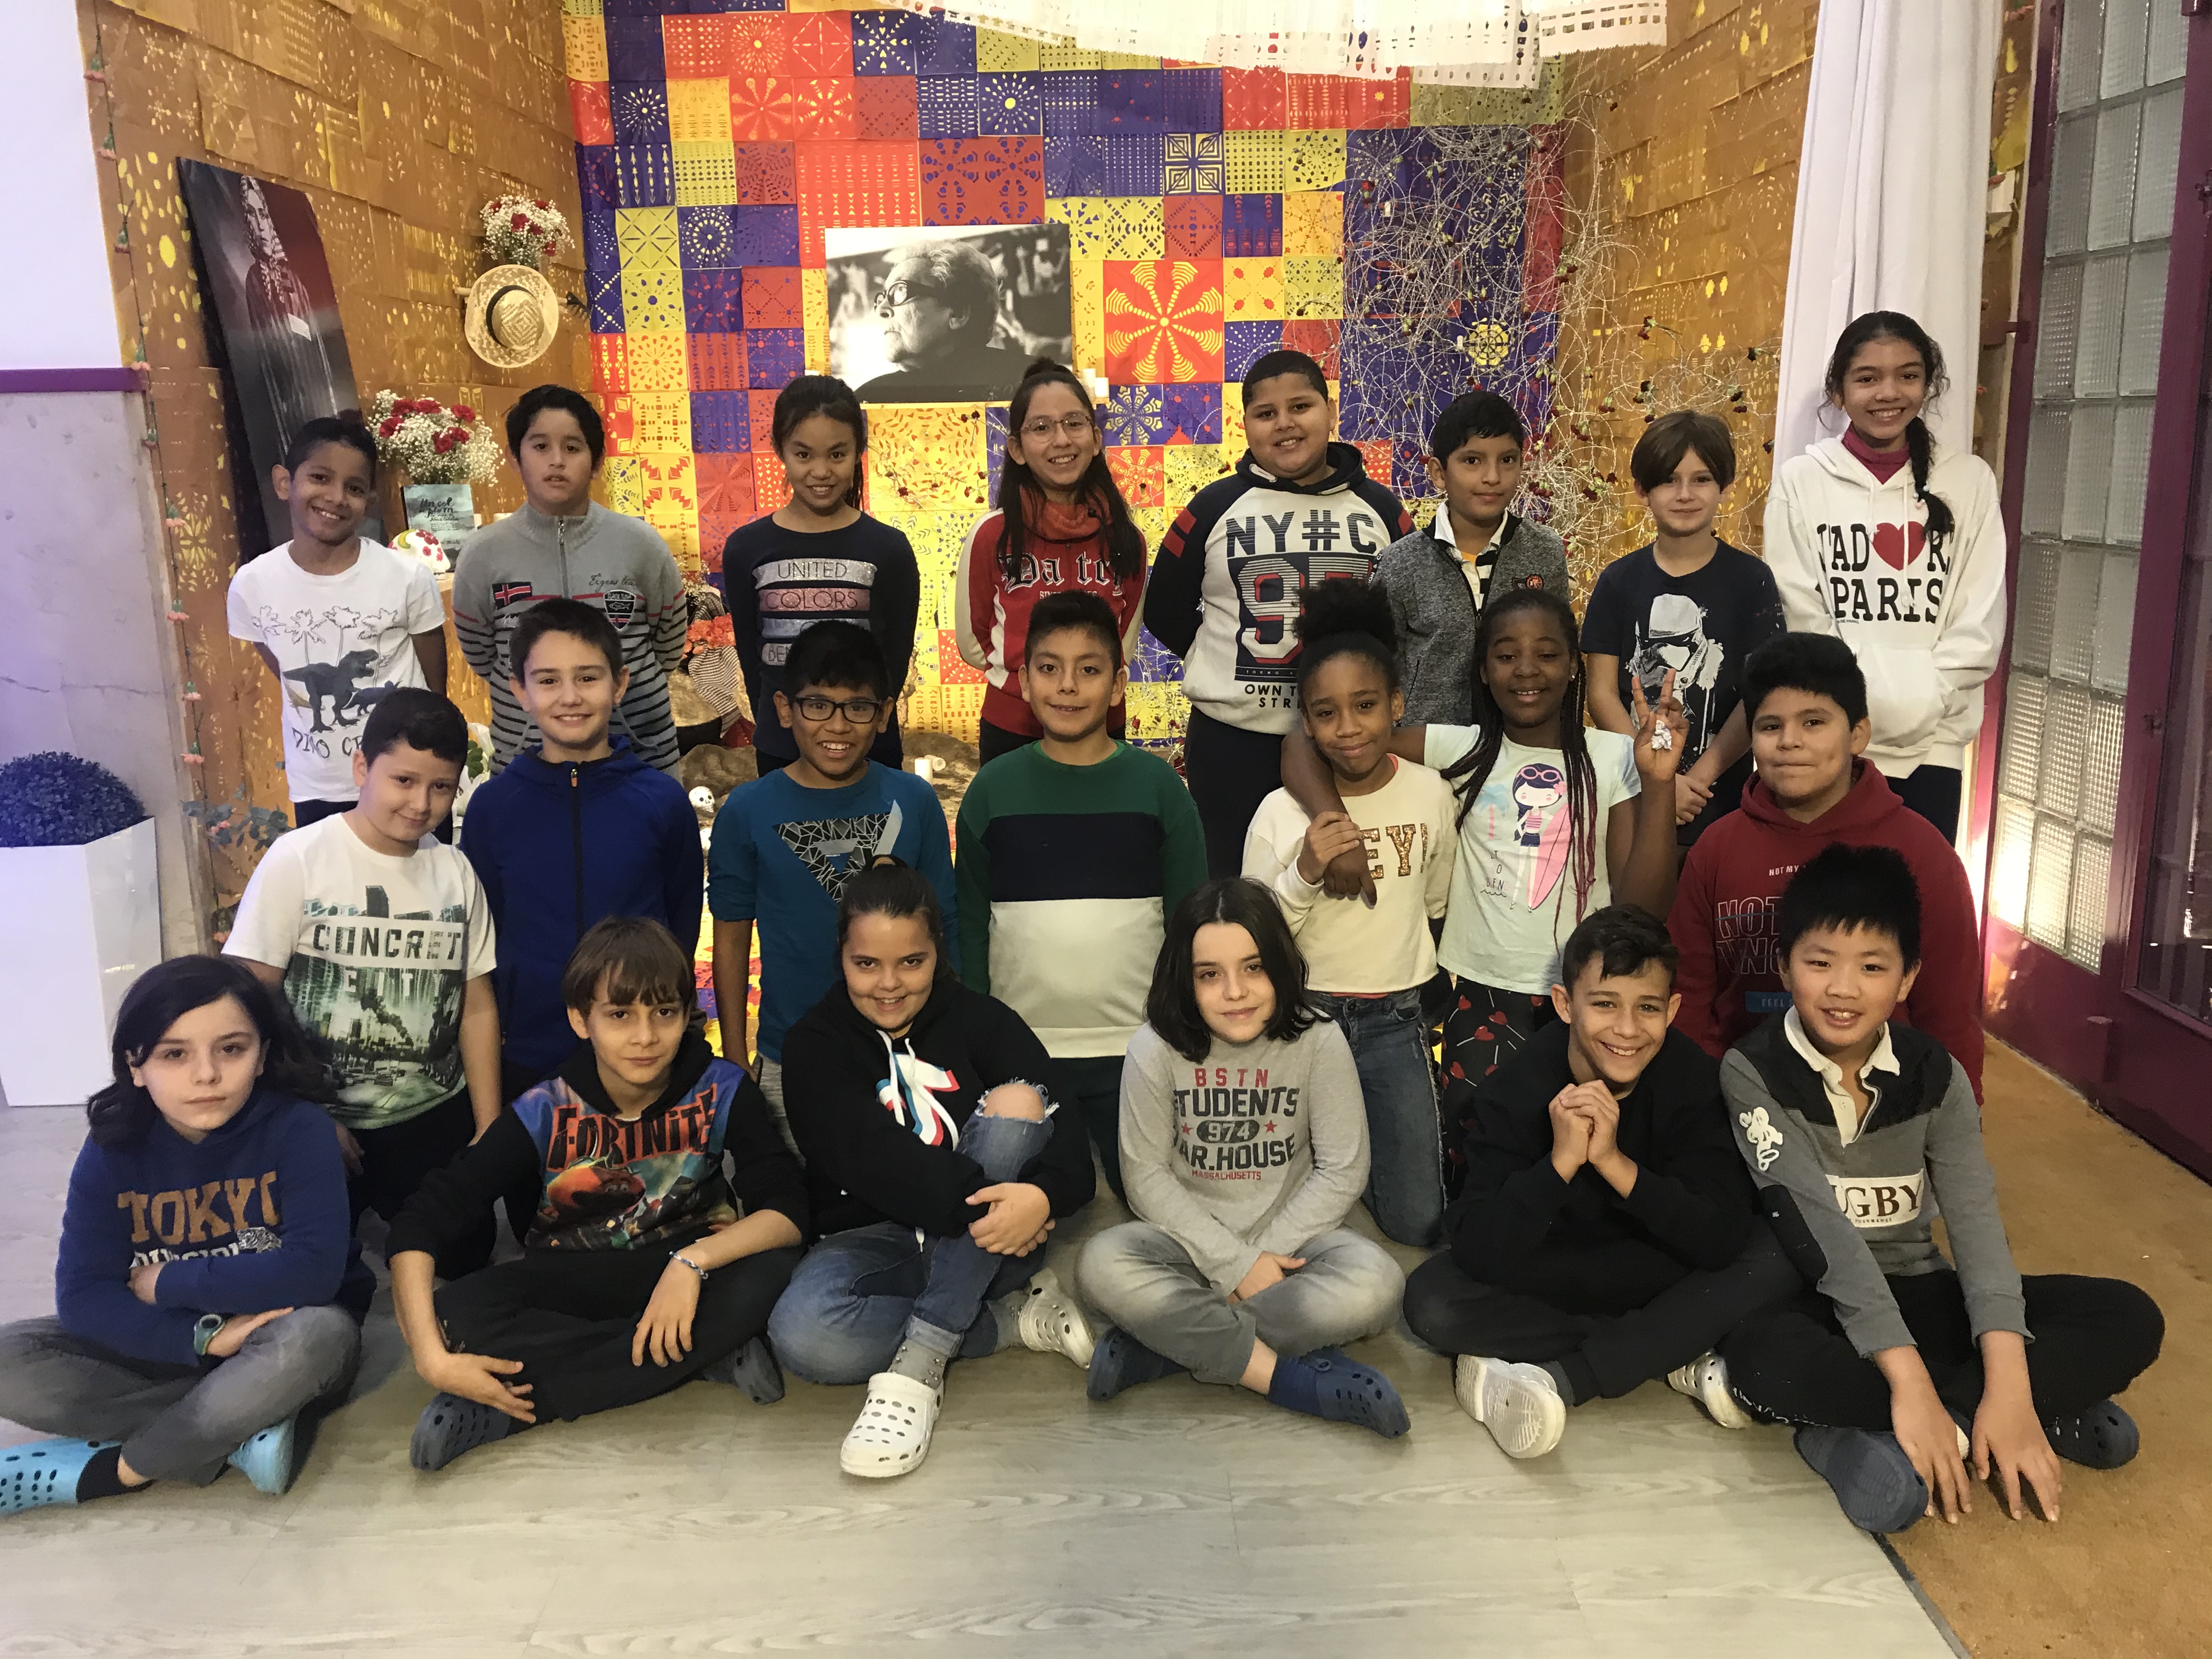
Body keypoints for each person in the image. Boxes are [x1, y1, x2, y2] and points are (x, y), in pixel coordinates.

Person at [1717, 846, 2163, 1533]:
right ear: (1784, 966)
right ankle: (1961, 1417)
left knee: (2129, 1316)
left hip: (1919, 1290)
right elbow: (1823, 1239)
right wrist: (1910, 1380)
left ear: (1908, 978)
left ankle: (1958, 1421)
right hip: (1815, 1302)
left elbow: (1977, 1225)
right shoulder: (1752, 1070)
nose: (1843, 989)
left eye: (1872, 968)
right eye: (1820, 963)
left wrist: (2010, 1383)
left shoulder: (1936, 1074)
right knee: (1759, 1361)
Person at [1283, 587, 1687, 1192]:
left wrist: (1659, 784)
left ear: (1573, 665)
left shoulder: (1611, 755)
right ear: (1482, 670)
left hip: (1587, 1000)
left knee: (1585, 1155)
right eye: (1505, 655)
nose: (1526, 670)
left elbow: (1642, 909)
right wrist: (1335, 828)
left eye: (1546, 654)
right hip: (1482, 994)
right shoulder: (1462, 748)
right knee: (1477, 1159)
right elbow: (1301, 744)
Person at [387, 918, 807, 1471]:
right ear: (579, 1019)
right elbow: (421, 1222)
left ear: (687, 1013)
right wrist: (432, 1361)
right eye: (619, 1015)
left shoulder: (723, 1087)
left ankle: (514, 1408)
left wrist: (691, 1262)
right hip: (573, 1277)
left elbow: (789, 1211)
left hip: (688, 1269)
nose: (645, 1037)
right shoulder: (544, 1107)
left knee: (773, 1268)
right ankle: (700, 1354)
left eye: (665, 1012)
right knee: (451, 1314)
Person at [1400, 906, 1799, 1459]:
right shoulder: (1515, 1088)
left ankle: (1584, 1367)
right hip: (1562, 1269)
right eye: (1605, 1004)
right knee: (1433, 1303)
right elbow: (1479, 1247)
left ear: (1672, 1010)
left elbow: (1719, 1237)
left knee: (1778, 1252)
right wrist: (1559, 1165)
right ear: (1566, 1005)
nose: (1627, 1030)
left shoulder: (1697, 1080)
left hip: (1658, 1263)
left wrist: (1614, 1164)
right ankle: (1674, 1344)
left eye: (1647, 1008)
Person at [0, 957, 371, 1512]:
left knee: (317, 1338)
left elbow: (312, 1272)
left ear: (262, 1055)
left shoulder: (300, 1131)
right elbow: (83, 1296)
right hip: (178, 1343)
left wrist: (168, 1281)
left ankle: (123, 1469)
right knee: (9, 1358)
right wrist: (201, 1338)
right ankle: (237, 1427)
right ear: (135, 1066)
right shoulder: (111, 1150)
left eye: (231, 1049)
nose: (206, 1075)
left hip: (283, 1334)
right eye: (175, 1054)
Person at [766, 862, 1098, 1479]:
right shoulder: (814, 1044)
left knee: (1019, 1101)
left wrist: (1042, 1199)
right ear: (842, 956)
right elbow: (867, 1157)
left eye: (911, 962)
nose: (889, 984)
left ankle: (920, 1364)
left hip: (995, 1240)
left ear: (937, 952)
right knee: (806, 1335)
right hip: (877, 1238)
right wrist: (995, 1203)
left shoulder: (984, 1020)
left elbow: (1073, 1143)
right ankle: (1004, 1322)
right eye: (867, 964)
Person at [1076, 878, 1410, 1436]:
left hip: (1294, 1245)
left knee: (1378, 1284)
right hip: (1188, 1242)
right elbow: (1145, 1177)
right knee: (1100, 1265)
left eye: (1254, 968)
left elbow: (1343, 1168)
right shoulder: (1153, 1048)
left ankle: (1165, 1348)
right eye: (1210, 975)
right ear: (1184, 979)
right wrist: (1233, 1264)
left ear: (1280, 965)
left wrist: (1259, 1261)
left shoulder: (1319, 1040)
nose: (1235, 991)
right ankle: (1286, 1379)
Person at [223, 689, 500, 1277]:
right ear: (360, 767)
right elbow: (248, 1001)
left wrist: (487, 1125)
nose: (421, 804)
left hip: (429, 1109)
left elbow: (476, 1005)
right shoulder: (299, 859)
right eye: (403, 781)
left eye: (441, 787)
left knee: (465, 1259)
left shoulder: (455, 871)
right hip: (316, 1114)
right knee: (309, 1272)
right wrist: (300, 1113)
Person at [956, 591, 1206, 1200]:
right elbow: (970, 926)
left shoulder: (1159, 789)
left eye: (1089, 669)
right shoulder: (991, 790)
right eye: (1049, 668)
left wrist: (1183, 1036)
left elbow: (1192, 925)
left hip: (1138, 1051)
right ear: (1023, 680)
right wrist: (978, 1044)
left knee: (1155, 1203)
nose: (1067, 686)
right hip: (1023, 1056)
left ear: (1118, 684)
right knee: (1025, 1205)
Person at [1667, 632, 1985, 1096]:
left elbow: (1950, 1013)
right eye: (1770, 726)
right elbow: (1690, 997)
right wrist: (1686, 1106)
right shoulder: (1716, 848)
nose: (1789, 742)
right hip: (1737, 1100)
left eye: (1813, 722)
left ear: (1858, 734)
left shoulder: (1924, 853)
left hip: (1882, 1107)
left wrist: (1959, 1119)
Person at [1144, 348, 1414, 876]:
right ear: (1245, 424)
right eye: (1266, 414)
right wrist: (1218, 662)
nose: (1285, 424)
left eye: (1301, 407)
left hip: (1349, 741)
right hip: (1233, 741)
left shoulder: (1382, 509)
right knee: (1235, 882)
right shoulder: (1212, 506)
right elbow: (1164, 607)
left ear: (1330, 412)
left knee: (1344, 882)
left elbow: (1406, 615)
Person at [1242, 583, 1455, 1244]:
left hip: (1395, 1020)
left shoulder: (1430, 793)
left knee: (1418, 1221)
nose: (1349, 728)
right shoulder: (1279, 812)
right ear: (1307, 725)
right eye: (1326, 713)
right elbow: (1253, 943)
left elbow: (1436, 902)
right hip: (1305, 1018)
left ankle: (1351, 1157)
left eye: (1365, 706)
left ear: (1396, 705)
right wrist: (1305, 872)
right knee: (1272, 1211)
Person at [708, 622, 956, 1145]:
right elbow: (730, 936)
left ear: (884, 714)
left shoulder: (915, 802)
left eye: (857, 707)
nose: (837, 726)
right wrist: (733, 1058)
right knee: (793, 1191)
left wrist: (954, 1040)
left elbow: (946, 925)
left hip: (909, 1055)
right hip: (788, 1054)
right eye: (817, 705)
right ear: (784, 709)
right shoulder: (747, 811)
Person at [1763, 312, 2006, 842]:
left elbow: (1979, 622)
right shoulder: (1801, 481)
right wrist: (1844, 711)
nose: (1889, 393)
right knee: (1824, 890)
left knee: (1913, 891)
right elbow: (1799, 615)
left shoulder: (1969, 482)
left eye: (1908, 376)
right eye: (1868, 378)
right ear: (1839, 390)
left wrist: (1920, 699)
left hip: (1935, 747)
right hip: (1830, 743)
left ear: (1929, 384)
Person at [460, 599, 703, 1103]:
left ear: (620, 684)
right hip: (529, 1054)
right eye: (548, 680)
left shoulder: (660, 800)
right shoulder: (494, 807)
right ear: (520, 692)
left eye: (588, 678)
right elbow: (484, 931)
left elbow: (681, 921)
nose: (570, 697)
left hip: (642, 1052)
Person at [453, 385, 688, 776]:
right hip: (528, 762)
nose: (557, 461)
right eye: (541, 446)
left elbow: (668, 645)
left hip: (641, 757)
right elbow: (482, 655)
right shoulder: (483, 555)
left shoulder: (641, 545)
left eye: (573, 448)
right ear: (515, 457)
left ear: (596, 462)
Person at [227, 416, 447, 827]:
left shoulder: (407, 577)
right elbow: (286, 669)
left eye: (354, 488)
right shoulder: (251, 584)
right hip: (320, 785)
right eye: (320, 478)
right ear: (284, 483)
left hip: (409, 780)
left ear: (370, 499)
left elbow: (436, 689)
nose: (336, 497)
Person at [1584, 410, 1784, 846]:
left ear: (1725, 487)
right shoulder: (1618, 582)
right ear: (1642, 490)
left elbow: (1761, 694)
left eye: (1701, 479)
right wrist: (1656, 779)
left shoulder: (1752, 581)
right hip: (1632, 795)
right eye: (1669, 480)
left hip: (1719, 800)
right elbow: (1600, 693)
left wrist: (1696, 780)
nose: (1685, 494)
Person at [719, 376, 919, 774]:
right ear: (780, 450)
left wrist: (862, 722)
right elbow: (752, 657)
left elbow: (894, 662)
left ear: (859, 451)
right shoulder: (746, 548)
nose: (821, 471)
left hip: (868, 748)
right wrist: (780, 724)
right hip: (782, 747)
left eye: (837, 454)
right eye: (804, 455)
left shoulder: (889, 549)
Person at [955, 359, 1148, 764]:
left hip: (1101, 725)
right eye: (1041, 428)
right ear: (1017, 449)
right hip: (1013, 728)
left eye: (1074, 424)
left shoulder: (1126, 539)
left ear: (1096, 439)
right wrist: (1027, 682)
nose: (1061, 440)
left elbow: (1123, 641)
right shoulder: (992, 535)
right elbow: (974, 643)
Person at [1373, 390, 1570, 726]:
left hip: (1520, 740)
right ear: (1439, 473)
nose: (1492, 477)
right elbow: (1380, 666)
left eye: (1507, 460)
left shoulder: (1545, 550)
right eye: (1473, 461)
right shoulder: (1401, 562)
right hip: (1426, 742)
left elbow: (1558, 651)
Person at [851, 238, 1037, 403]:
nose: (881, 310)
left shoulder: (1032, 384)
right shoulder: (868, 400)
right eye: (882, 297)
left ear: (958, 313)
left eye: (899, 291)